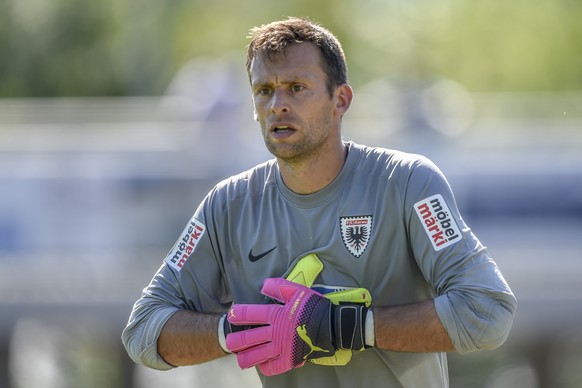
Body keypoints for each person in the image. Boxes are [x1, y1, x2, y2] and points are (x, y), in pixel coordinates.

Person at [122, 17, 517, 387]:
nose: (278, 104)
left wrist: (345, 327)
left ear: (341, 99)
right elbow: (144, 330)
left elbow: (487, 311)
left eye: (296, 87)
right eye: (264, 90)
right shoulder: (227, 206)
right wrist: (239, 331)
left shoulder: (408, 182)